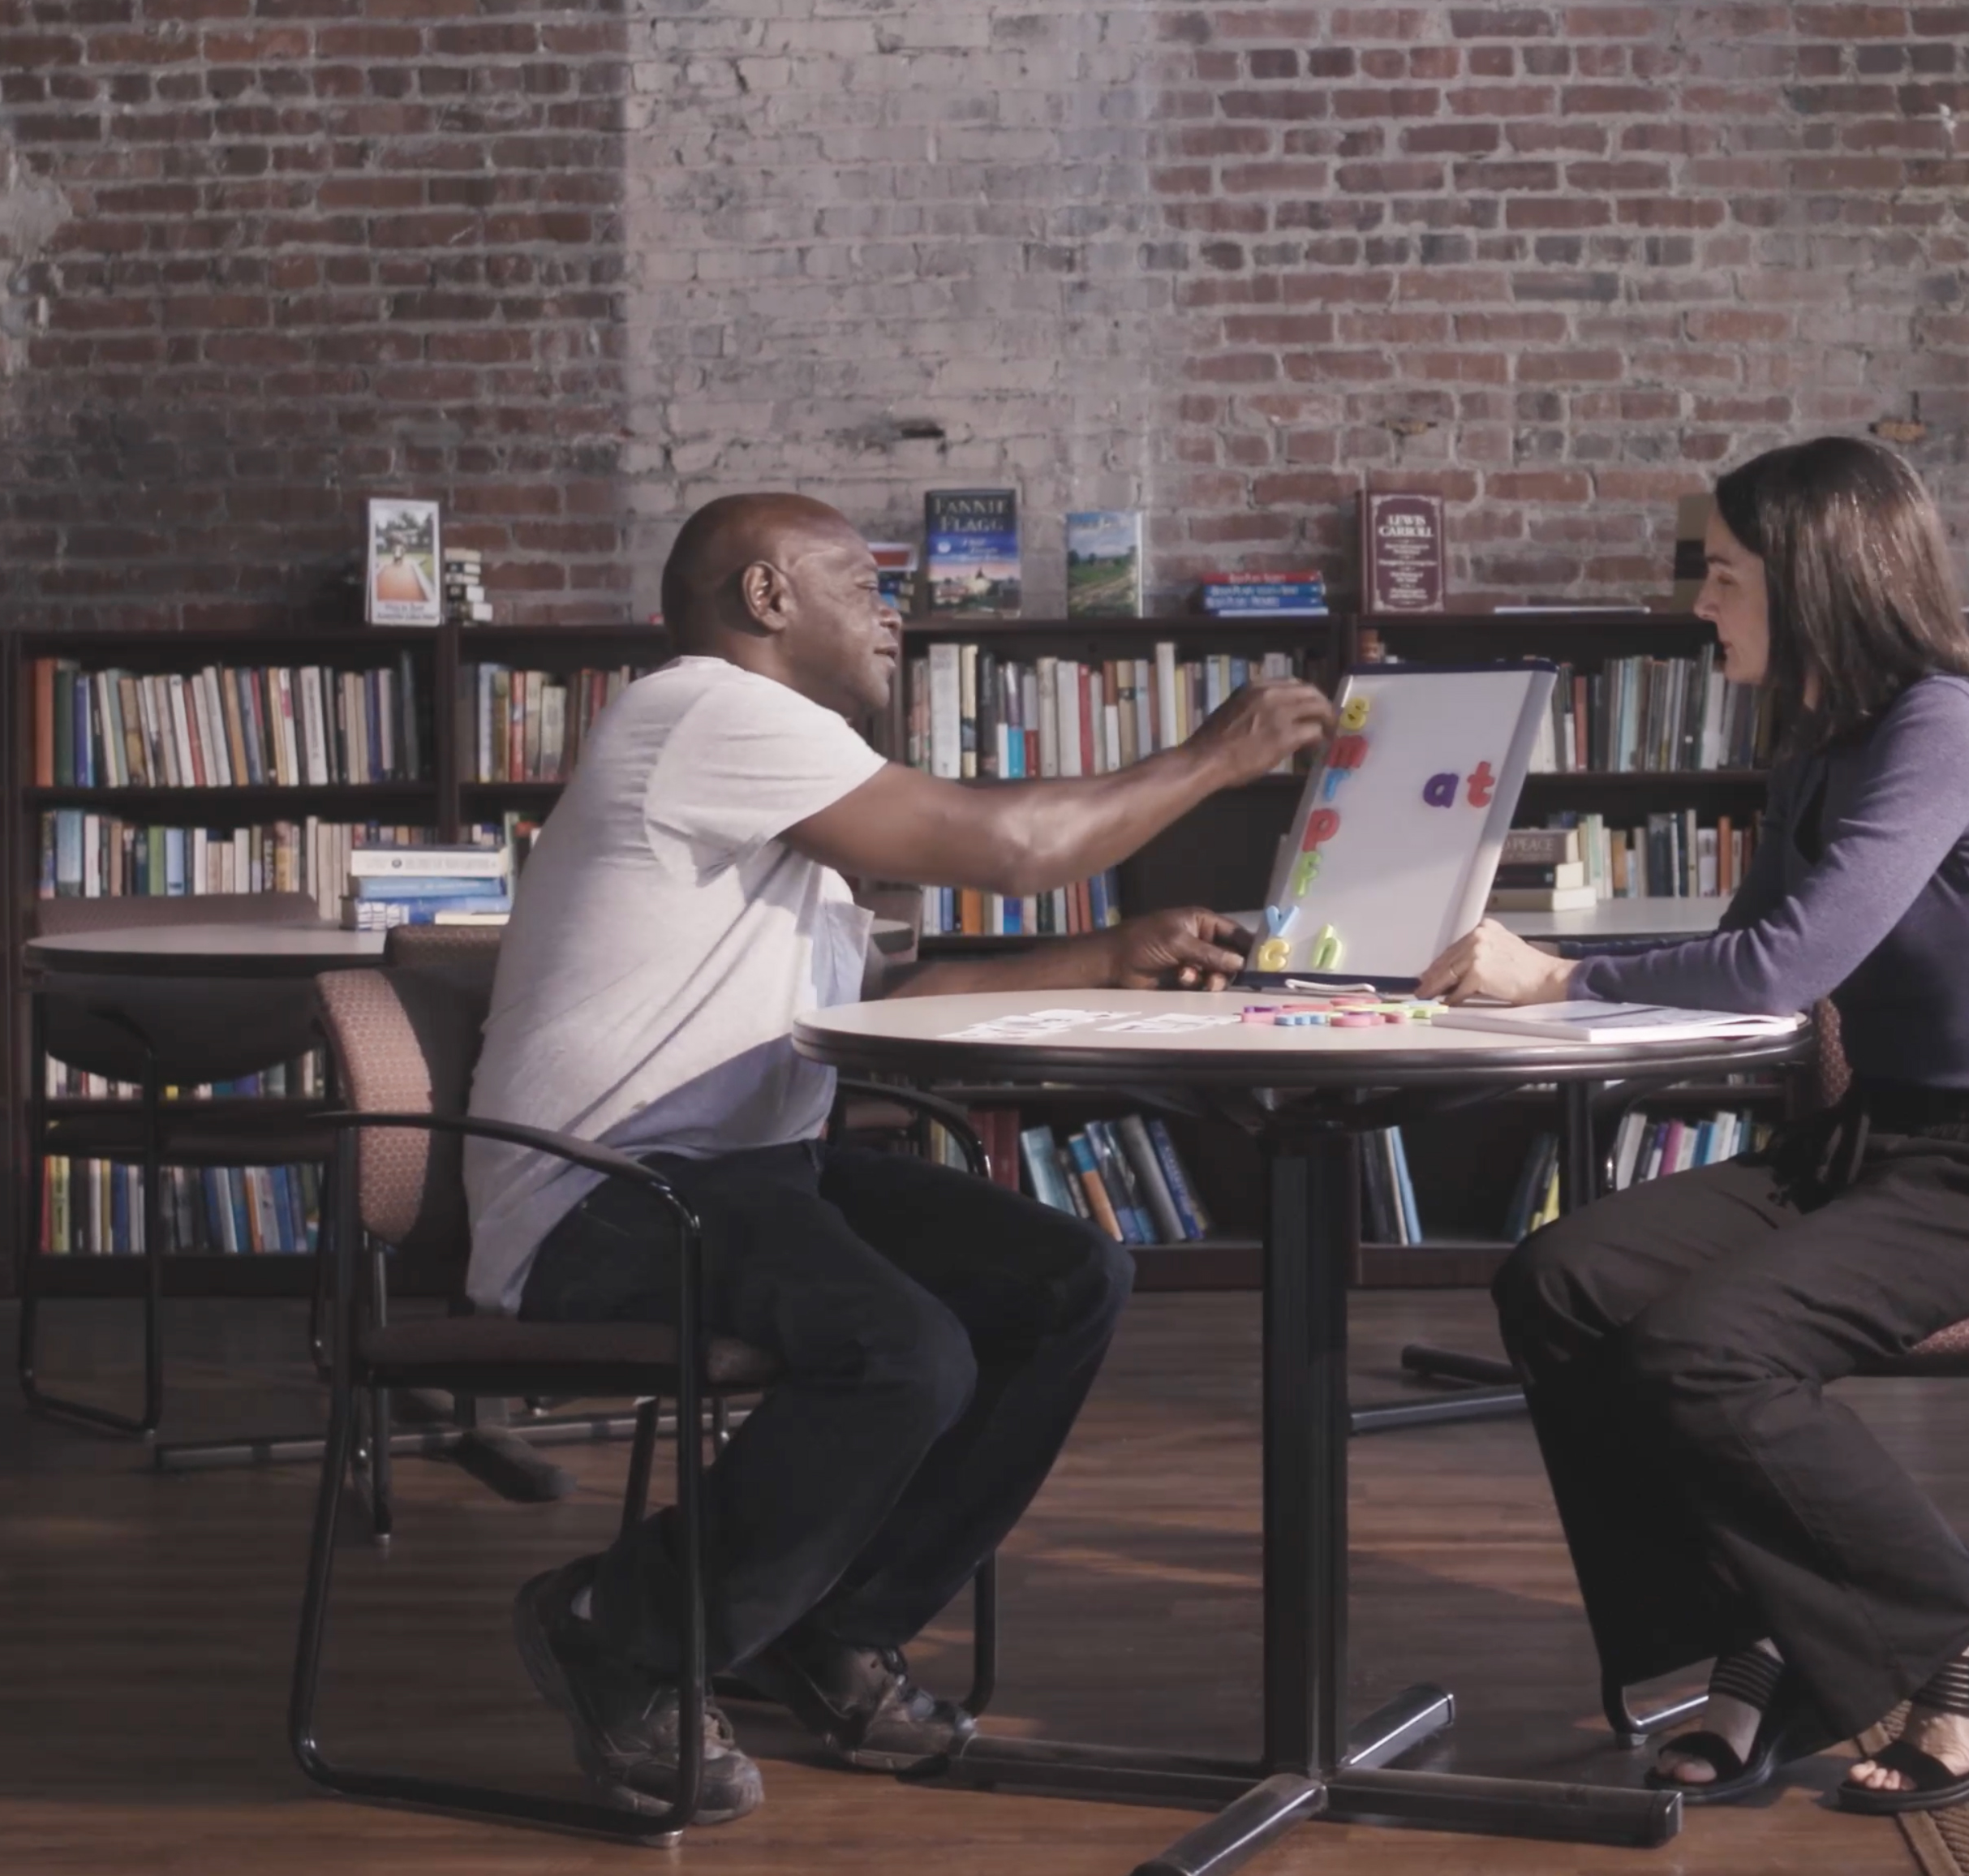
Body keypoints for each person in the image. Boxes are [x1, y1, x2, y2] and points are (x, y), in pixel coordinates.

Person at [474, 492, 1332, 1823]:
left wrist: (1106, 961)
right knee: (900, 1352)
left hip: (746, 1168)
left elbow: (887, 994)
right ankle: (617, 1624)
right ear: (764, 598)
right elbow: (1013, 849)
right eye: (861, 582)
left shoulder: (790, 770)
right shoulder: (703, 709)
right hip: (607, 1191)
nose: (896, 611)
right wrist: (1217, 755)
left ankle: (829, 1625)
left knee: (1063, 1277)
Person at [1420, 436, 1969, 1815]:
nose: (1698, 604)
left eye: (1721, 573)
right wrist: (1524, 987)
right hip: (1868, 1150)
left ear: (1814, 576)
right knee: (1557, 1282)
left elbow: (1786, 968)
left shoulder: (1941, 728)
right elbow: (1740, 953)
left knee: (1701, 1356)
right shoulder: (1821, 745)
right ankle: (1770, 1640)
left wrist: (1553, 979)